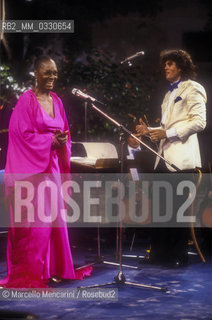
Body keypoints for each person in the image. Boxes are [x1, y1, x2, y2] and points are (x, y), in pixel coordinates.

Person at [0, 55, 92, 288]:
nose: (52, 77)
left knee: (54, 220)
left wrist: (61, 141)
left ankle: (54, 269)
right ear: (36, 74)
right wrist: (48, 142)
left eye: (55, 73)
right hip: (32, 170)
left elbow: (65, 131)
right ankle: (33, 271)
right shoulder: (26, 101)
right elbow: (20, 136)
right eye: (47, 72)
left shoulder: (57, 101)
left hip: (52, 167)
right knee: (37, 224)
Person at [136, 49, 207, 266]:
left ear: (181, 67)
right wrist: (150, 131)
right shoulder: (168, 95)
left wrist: (167, 133)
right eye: (165, 64)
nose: (166, 67)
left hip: (182, 160)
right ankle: (158, 254)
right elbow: (168, 127)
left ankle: (178, 256)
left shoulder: (192, 88)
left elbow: (199, 122)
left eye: (170, 64)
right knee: (159, 209)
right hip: (163, 158)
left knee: (178, 210)